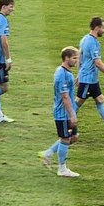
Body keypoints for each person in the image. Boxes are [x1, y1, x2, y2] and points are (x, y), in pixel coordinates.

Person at [39, 46, 81, 178]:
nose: (76, 61)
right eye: (74, 58)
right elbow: (64, 97)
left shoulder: (65, 72)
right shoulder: (62, 74)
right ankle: (62, 169)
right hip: (63, 114)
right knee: (65, 139)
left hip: (67, 112)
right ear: (66, 58)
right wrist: (72, 114)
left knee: (74, 137)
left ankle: (48, 153)